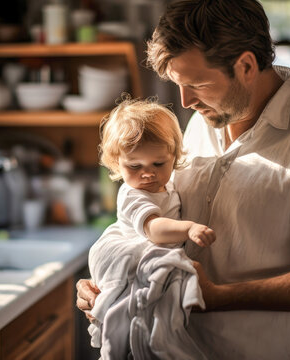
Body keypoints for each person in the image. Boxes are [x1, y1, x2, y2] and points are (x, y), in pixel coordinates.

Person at [77, 1, 290, 358]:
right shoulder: (201, 122)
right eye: (179, 85)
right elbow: (155, 213)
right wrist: (111, 283)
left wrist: (221, 298)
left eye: (197, 83)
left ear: (245, 66)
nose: (185, 101)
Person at [87, 97, 215, 358]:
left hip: (152, 267)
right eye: (134, 166)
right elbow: (153, 229)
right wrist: (188, 228)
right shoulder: (132, 194)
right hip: (132, 269)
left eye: (159, 164)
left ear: (175, 156)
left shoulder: (166, 187)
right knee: (127, 324)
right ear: (116, 163)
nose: (147, 173)